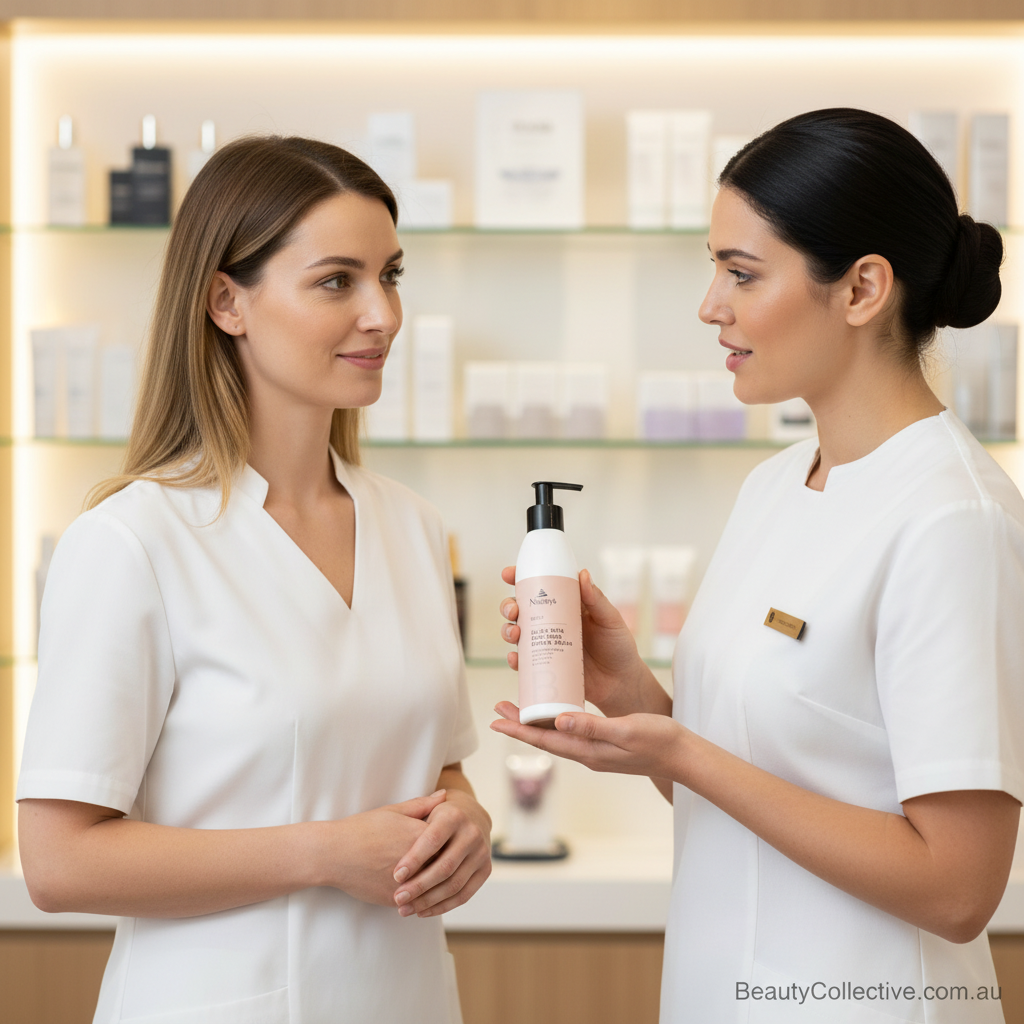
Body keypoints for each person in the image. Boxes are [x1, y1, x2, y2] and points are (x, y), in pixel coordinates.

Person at [494, 108, 1023, 1023]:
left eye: (741, 273)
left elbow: (957, 886)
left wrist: (687, 752)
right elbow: (748, 781)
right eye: (713, 267)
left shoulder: (953, 520)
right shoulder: (776, 484)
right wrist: (640, 703)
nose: (710, 306)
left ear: (861, 289)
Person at [17, 136, 490, 1024]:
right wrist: (320, 852)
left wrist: (466, 822)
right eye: (336, 281)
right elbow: (59, 863)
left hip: (405, 996)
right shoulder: (133, 541)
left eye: (390, 275)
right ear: (227, 301)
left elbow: (435, 764)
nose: (382, 314)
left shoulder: (413, 528)